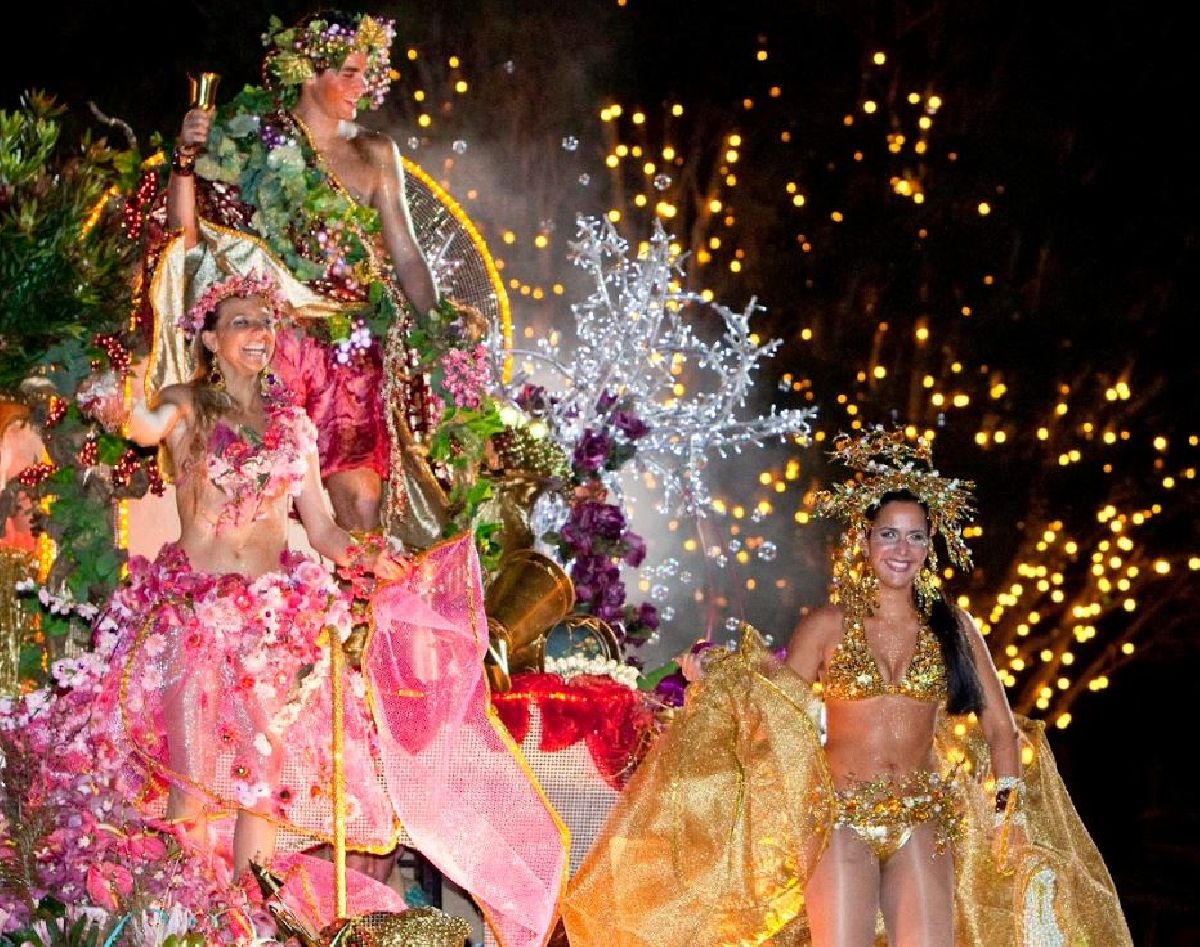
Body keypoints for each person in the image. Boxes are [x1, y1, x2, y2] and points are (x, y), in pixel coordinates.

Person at [561, 427, 1132, 946]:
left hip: (925, 817)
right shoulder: (827, 626)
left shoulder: (955, 629)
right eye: (888, 534)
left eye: (914, 537)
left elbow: (1002, 730)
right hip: (837, 817)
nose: (901, 550)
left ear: (929, 545)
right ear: (865, 541)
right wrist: (726, 675)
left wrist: (1007, 815)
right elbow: (778, 707)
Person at [82, 270, 409, 882]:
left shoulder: (295, 426)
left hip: (271, 625)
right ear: (210, 339)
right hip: (192, 616)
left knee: (263, 776)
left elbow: (323, 530)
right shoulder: (185, 406)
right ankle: (188, 919)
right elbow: (142, 426)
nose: (259, 333)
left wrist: (368, 557)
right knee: (193, 779)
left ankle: (247, 915)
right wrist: (117, 405)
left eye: (265, 322)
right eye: (241, 322)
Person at [163, 9, 447, 545]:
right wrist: (186, 156)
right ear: (307, 71)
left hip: (352, 353)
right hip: (276, 347)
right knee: (259, 507)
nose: (363, 86)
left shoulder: (376, 152)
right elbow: (191, 242)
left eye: (367, 73)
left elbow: (406, 255)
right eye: (349, 72)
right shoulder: (252, 144)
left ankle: (364, 623)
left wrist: (440, 328)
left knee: (363, 503)